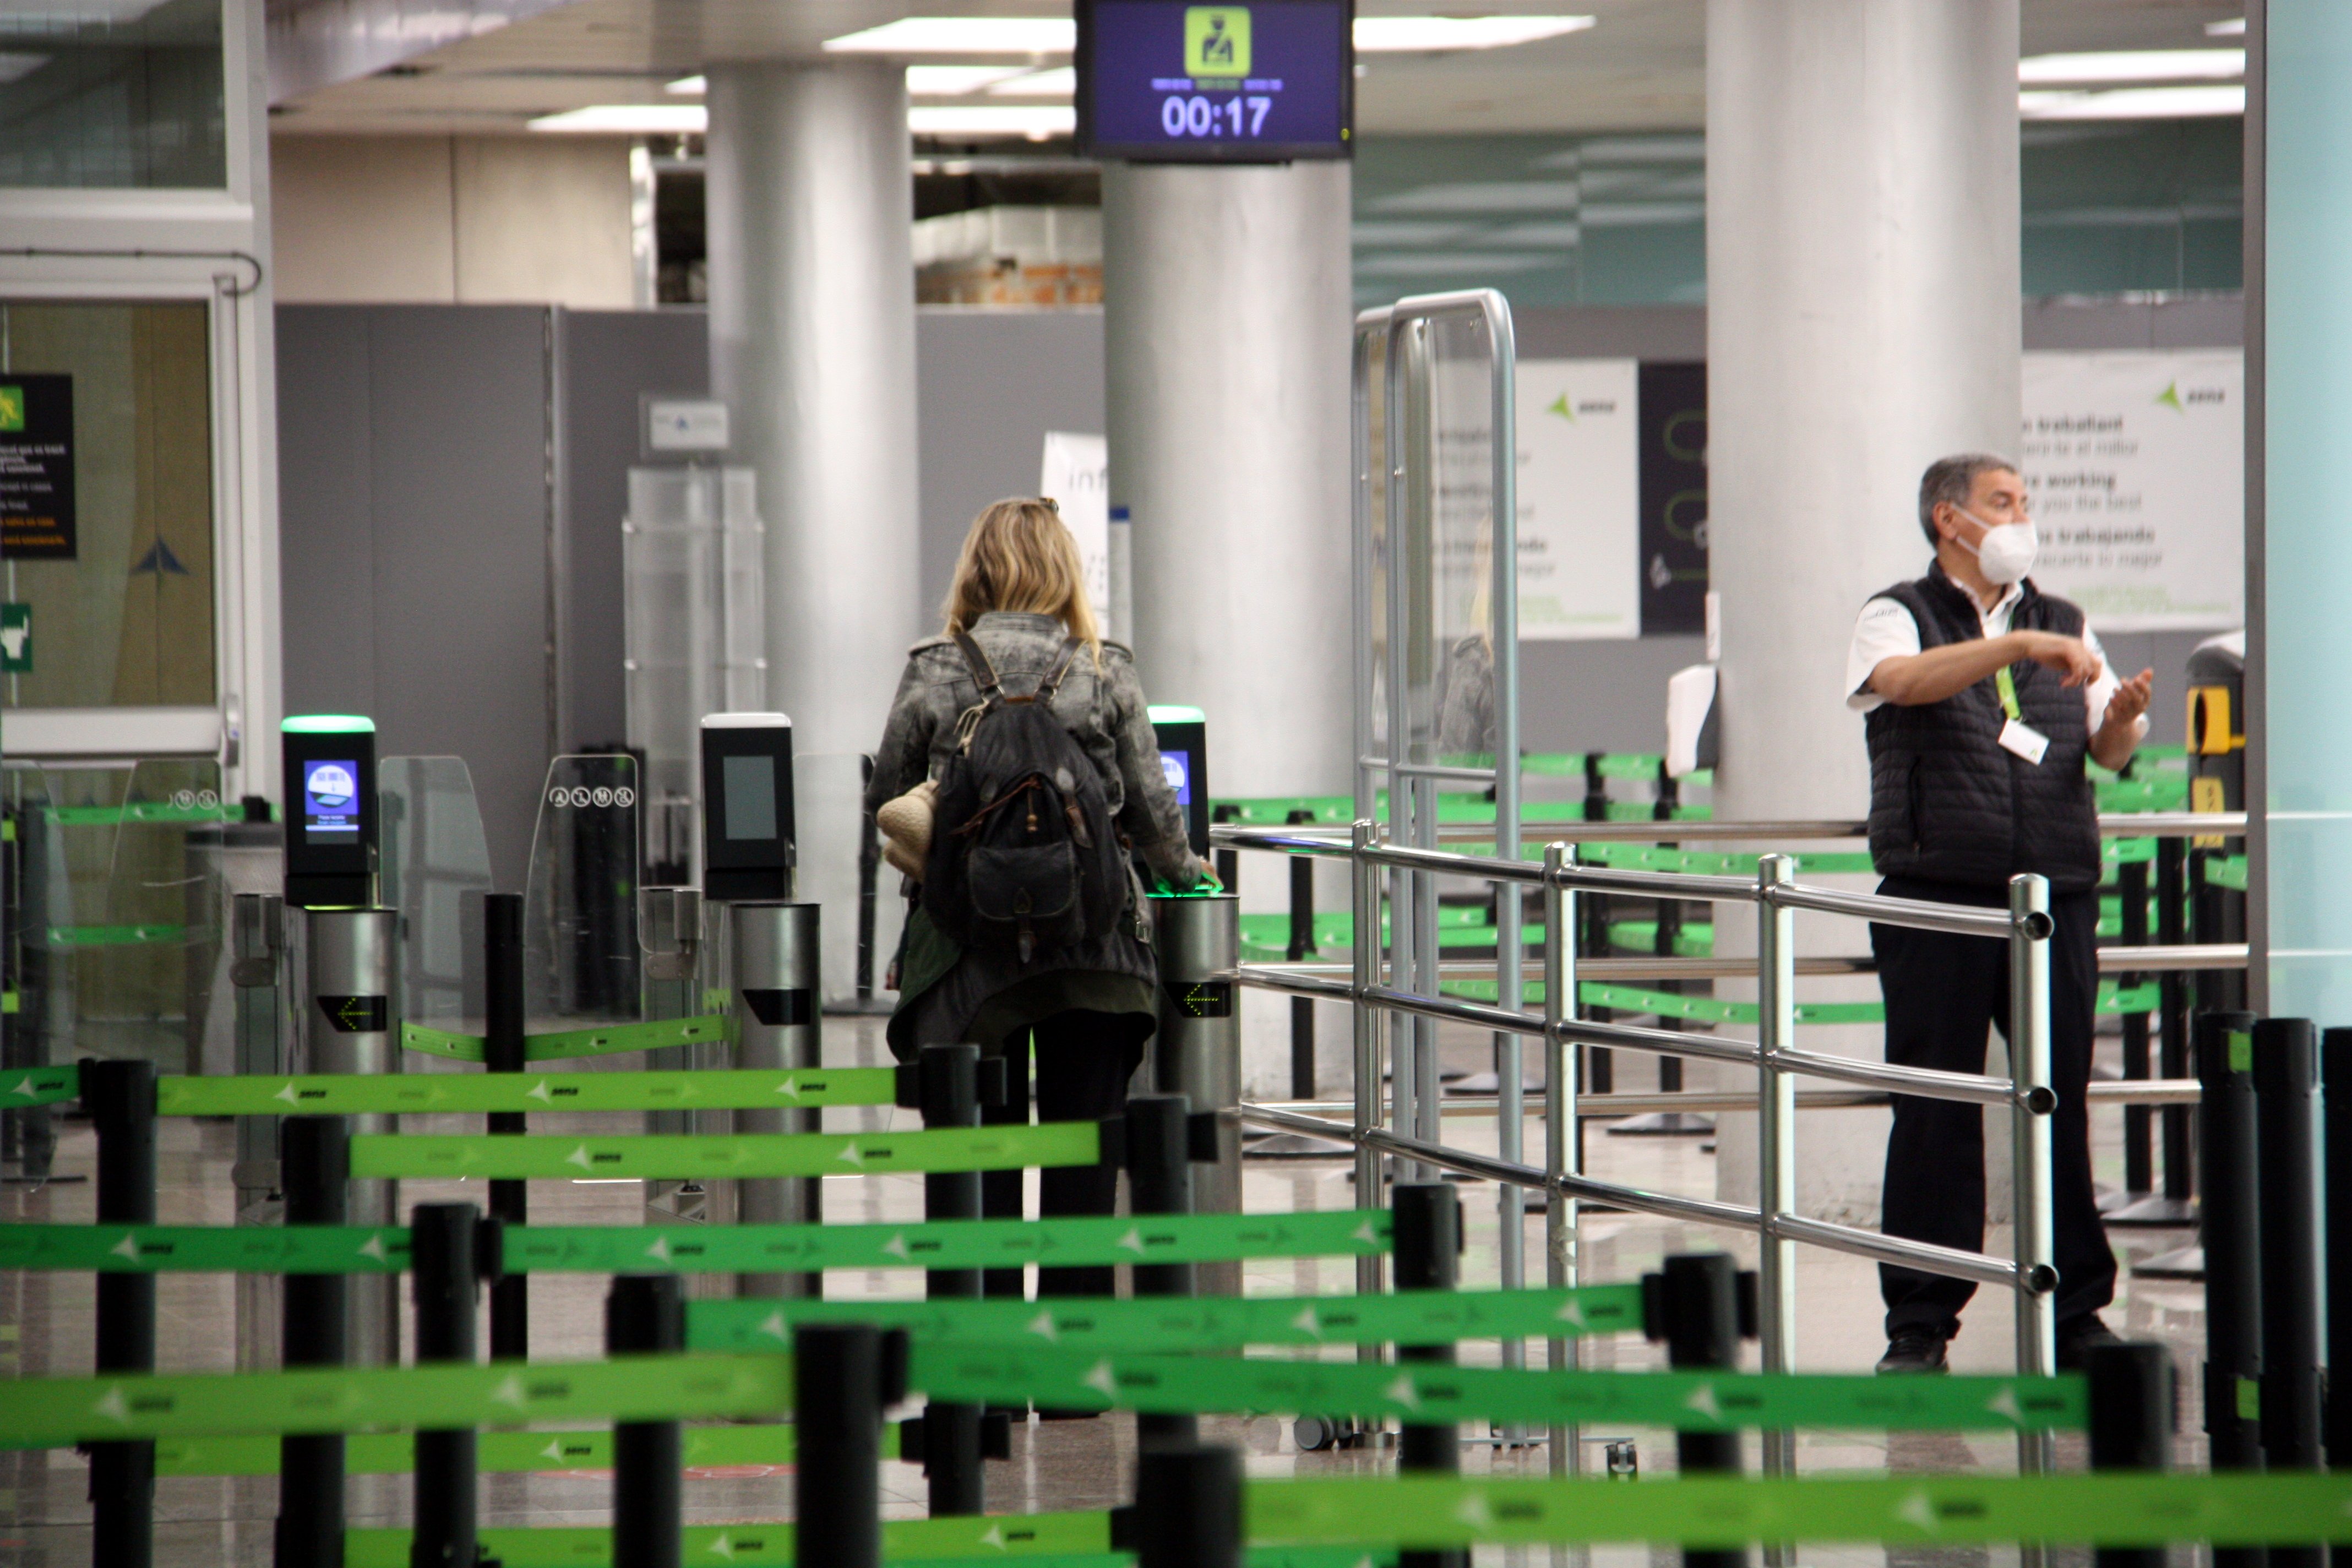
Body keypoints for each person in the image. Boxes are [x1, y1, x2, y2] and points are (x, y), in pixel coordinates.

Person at [1847, 453, 2153, 1375]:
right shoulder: (1896, 611)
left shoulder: (2062, 619)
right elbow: (1901, 683)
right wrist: (2016, 650)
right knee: (1936, 1105)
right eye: (2002, 501)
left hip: (2056, 893)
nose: (2020, 514)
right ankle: (1921, 1323)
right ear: (1951, 519)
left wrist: (2126, 716)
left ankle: (2075, 1312)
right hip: (1940, 892)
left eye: (2024, 500)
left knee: (2058, 1098)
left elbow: (2110, 752)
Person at [867, 497, 1209, 1306]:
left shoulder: (934, 669)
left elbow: (885, 801)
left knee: (971, 1166)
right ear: (1063, 570)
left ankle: (981, 1381)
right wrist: (1188, 875)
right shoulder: (1101, 666)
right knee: (1084, 1160)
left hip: (962, 957)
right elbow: (1158, 824)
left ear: (976, 569)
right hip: (1094, 952)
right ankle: (1069, 1377)